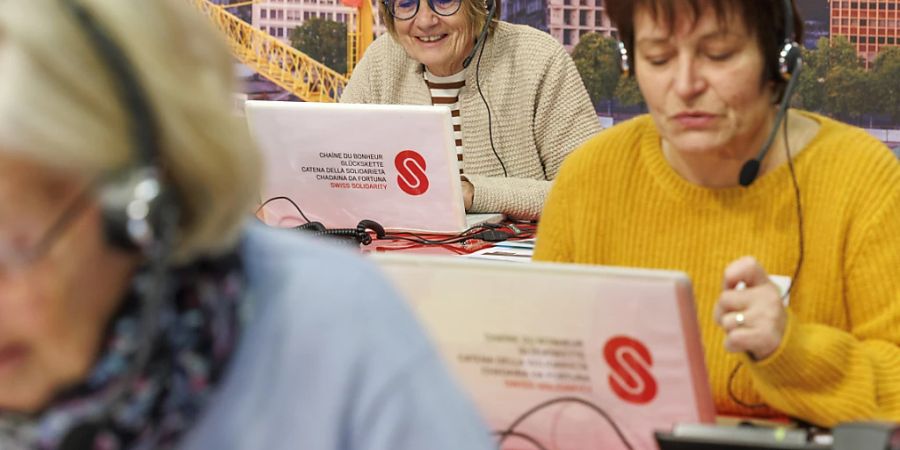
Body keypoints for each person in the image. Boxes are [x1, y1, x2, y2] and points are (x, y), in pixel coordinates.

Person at [0, 1, 496, 449]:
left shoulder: (333, 326)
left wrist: (474, 190)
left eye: (10, 254)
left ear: (144, 207)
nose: (425, 19)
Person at [533, 0, 900, 427]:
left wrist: (792, 349)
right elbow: (541, 372)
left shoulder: (863, 177)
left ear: (779, 59)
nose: (686, 84)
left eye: (719, 54)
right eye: (659, 58)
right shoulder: (590, 175)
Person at [340, 0, 601, 220]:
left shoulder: (540, 58)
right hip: (404, 267)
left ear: (479, 5)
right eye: (406, 3)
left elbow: (594, 192)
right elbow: (335, 179)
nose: (425, 20)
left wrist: (473, 193)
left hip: (516, 273)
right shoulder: (380, 61)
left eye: (443, 0)